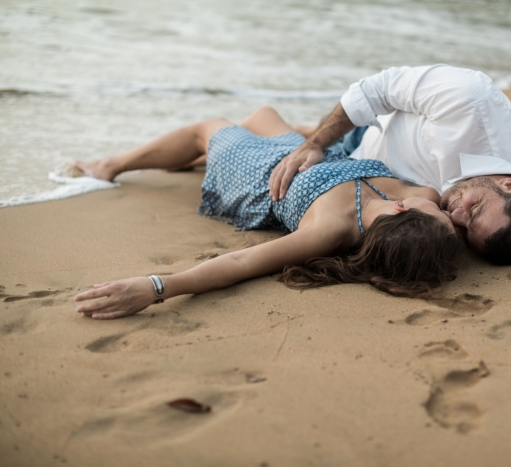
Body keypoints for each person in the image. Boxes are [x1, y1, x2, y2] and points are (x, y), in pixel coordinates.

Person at [71, 107, 464, 319]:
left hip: (260, 177)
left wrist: (158, 287)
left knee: (208, 126)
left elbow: (242, 261)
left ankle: (112, 165)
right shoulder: (422, 193)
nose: (449, 212)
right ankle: (202, 159)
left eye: (442, 216)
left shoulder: (331, 228)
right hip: (307, 156)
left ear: (400, 210)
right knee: (263, 114)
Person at [268, 65, 511, 265]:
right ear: (510, 184)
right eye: (475, 208)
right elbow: (373, 91)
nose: (455, 218)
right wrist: (315, 143)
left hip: (363, 178)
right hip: (364, 138)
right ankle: (303, 129)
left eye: (465, 233)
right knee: (288, 136)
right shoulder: (468, 101)